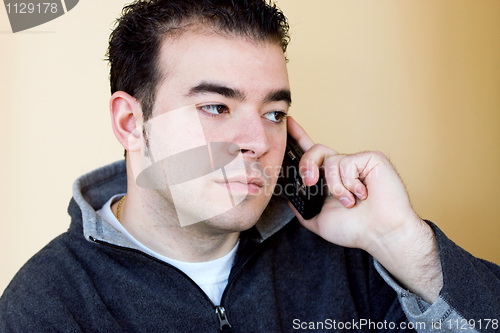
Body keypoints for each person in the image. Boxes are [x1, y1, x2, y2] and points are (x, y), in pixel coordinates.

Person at [1, 0, 499, 332]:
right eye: (216, 107)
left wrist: (402, 244)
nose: (258, 141)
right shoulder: (49, 305)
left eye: (274, 113)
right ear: (132, 122)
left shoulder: (349, 258)